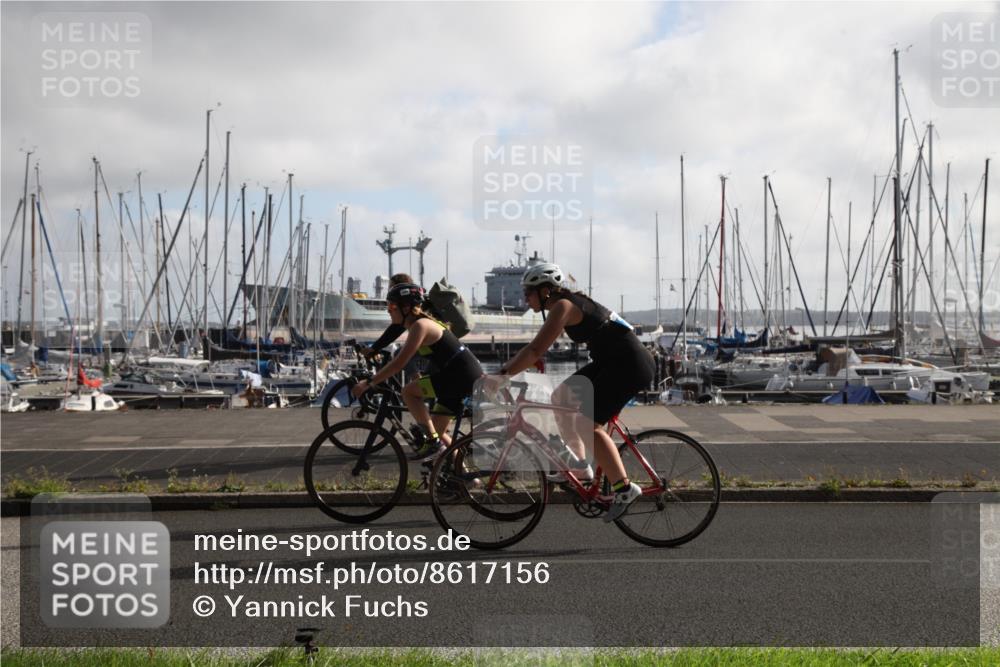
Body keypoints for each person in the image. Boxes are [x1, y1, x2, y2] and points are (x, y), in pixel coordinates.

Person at [493, 263, 654, 523]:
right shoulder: (564, 304)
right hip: (610, 362)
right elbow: (537, 351)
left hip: (629, 364)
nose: (525, 298)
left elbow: (535, 349)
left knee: (587, 424)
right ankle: (580, 468)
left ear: (545, 291)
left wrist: (501, 376)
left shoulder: (563, 306)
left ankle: (624, 489)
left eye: (528, 292)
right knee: (561, 397)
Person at [352, 282, 483, 460]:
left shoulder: (420, 326)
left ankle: (432, 443)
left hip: (460, 376)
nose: (388, 310)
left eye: (391, 306)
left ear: (406, 308)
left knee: (409, 392)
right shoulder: (419, 324)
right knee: (436, 430)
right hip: (462, 374)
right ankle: (464, 477)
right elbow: (397, 350)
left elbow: (399, 363)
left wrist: (369, 383)